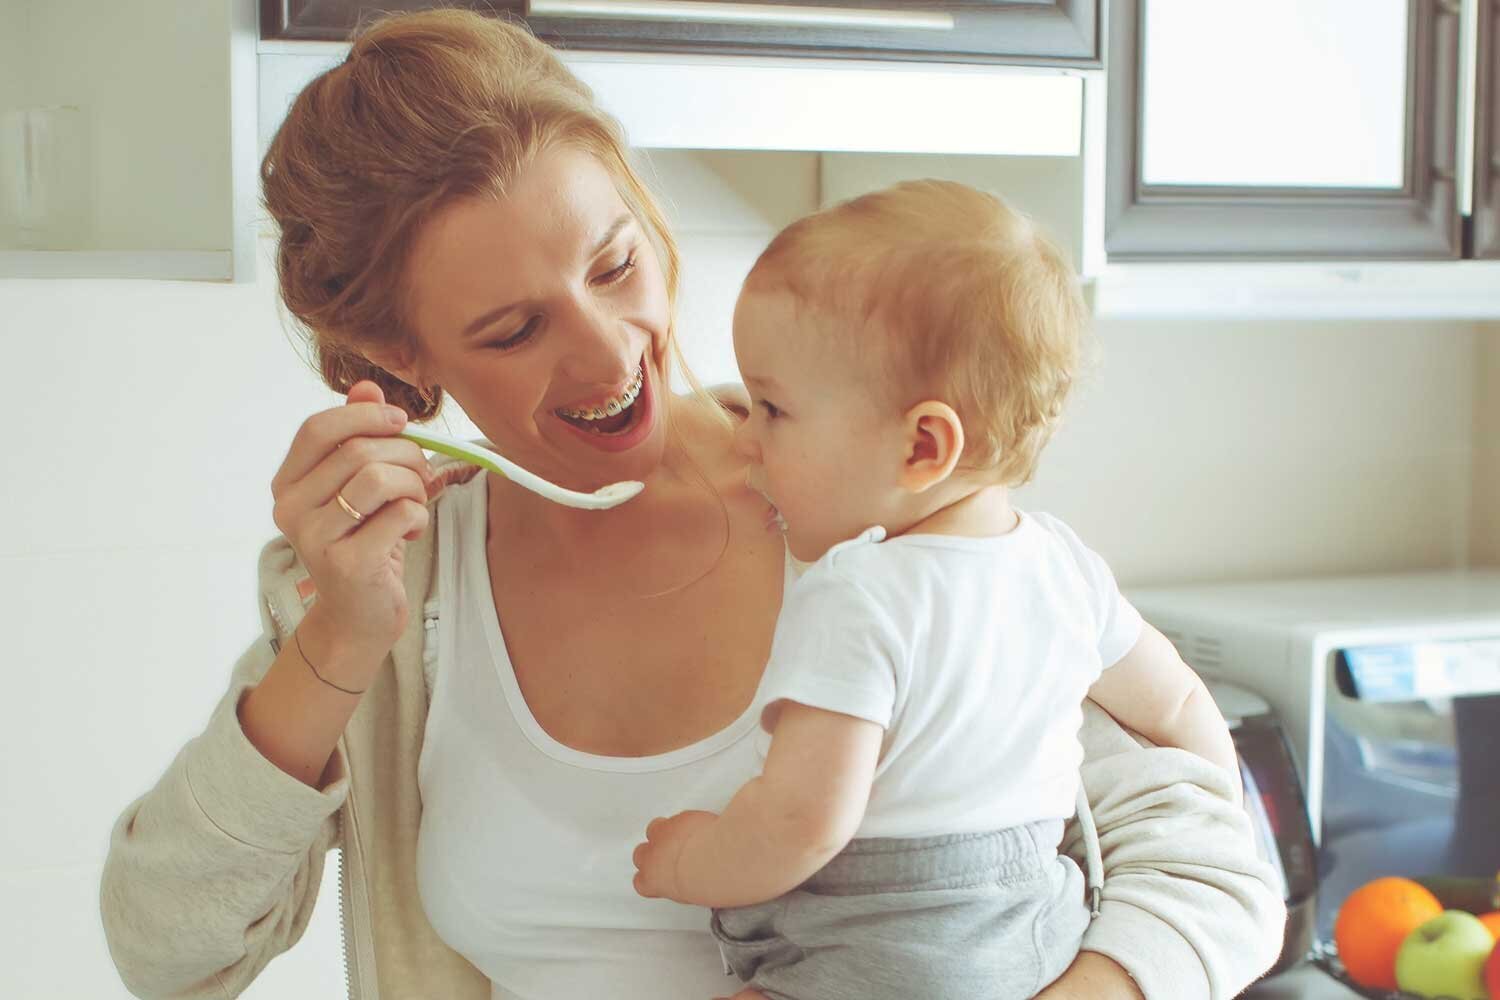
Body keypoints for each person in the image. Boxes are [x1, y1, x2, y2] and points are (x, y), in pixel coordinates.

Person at [98, 10, 1284, 1000]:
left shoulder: (880, 506)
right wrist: (336, 647)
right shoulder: (392, 589)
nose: (609, 349)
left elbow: (1216, 862)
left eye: (617, 264)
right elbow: (166, 949)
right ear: (401, 355)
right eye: (513, 329)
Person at [630, 180, 1241, 1000]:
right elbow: (1177, 711)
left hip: (879, 952)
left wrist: (692, 859)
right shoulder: (1066, 568)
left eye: (772, 409)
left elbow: (803, 821)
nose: (744, 438)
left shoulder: (855, 595)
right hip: (1038, 940)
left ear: (923, 446)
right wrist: (1223, 813)